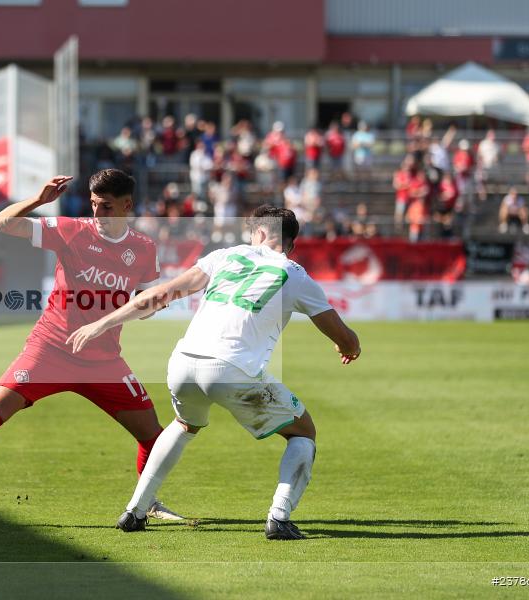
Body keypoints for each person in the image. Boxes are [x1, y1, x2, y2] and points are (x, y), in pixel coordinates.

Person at [0, 170, 183, 521]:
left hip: (104, 360)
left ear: (127, 205)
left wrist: (153, 306)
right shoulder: (72, 230)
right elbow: (2, 224)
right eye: (94, 205)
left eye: (107, 206)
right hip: (50, 349)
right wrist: (38, 201)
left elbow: (143, 305)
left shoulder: (143, 249)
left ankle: (146, 503)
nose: (97, 214)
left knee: (154, 436)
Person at [67, 205, 360, 540]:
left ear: (259, 233)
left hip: (183, 362)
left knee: (184, 425)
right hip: (230, 367)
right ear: (289, 242)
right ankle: (279, 518)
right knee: (303, 431)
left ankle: (135, 510)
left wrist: (103, 322)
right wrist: (350, 347)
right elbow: (342, 335)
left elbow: (161, 294)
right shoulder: (294, 273)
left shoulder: (224, 256)